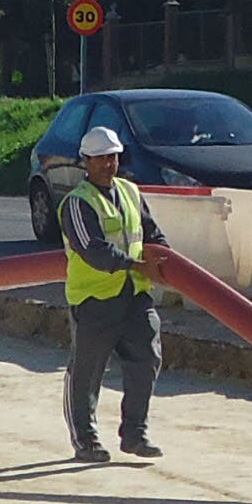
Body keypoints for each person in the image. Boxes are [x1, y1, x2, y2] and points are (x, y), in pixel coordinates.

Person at [56, 124, 163, 465]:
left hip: (134, 296)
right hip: (94, 300)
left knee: (146, 358)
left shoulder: (131, 193)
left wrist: (161, 256)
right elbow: (94, 250)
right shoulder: (77, 203)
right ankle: (85, 440)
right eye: (100, 158)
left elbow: (152, 232)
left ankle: (134, 434)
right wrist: (137, 265)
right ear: (85, 162)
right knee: (87, 372)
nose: (107, 164)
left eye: (112, 157)